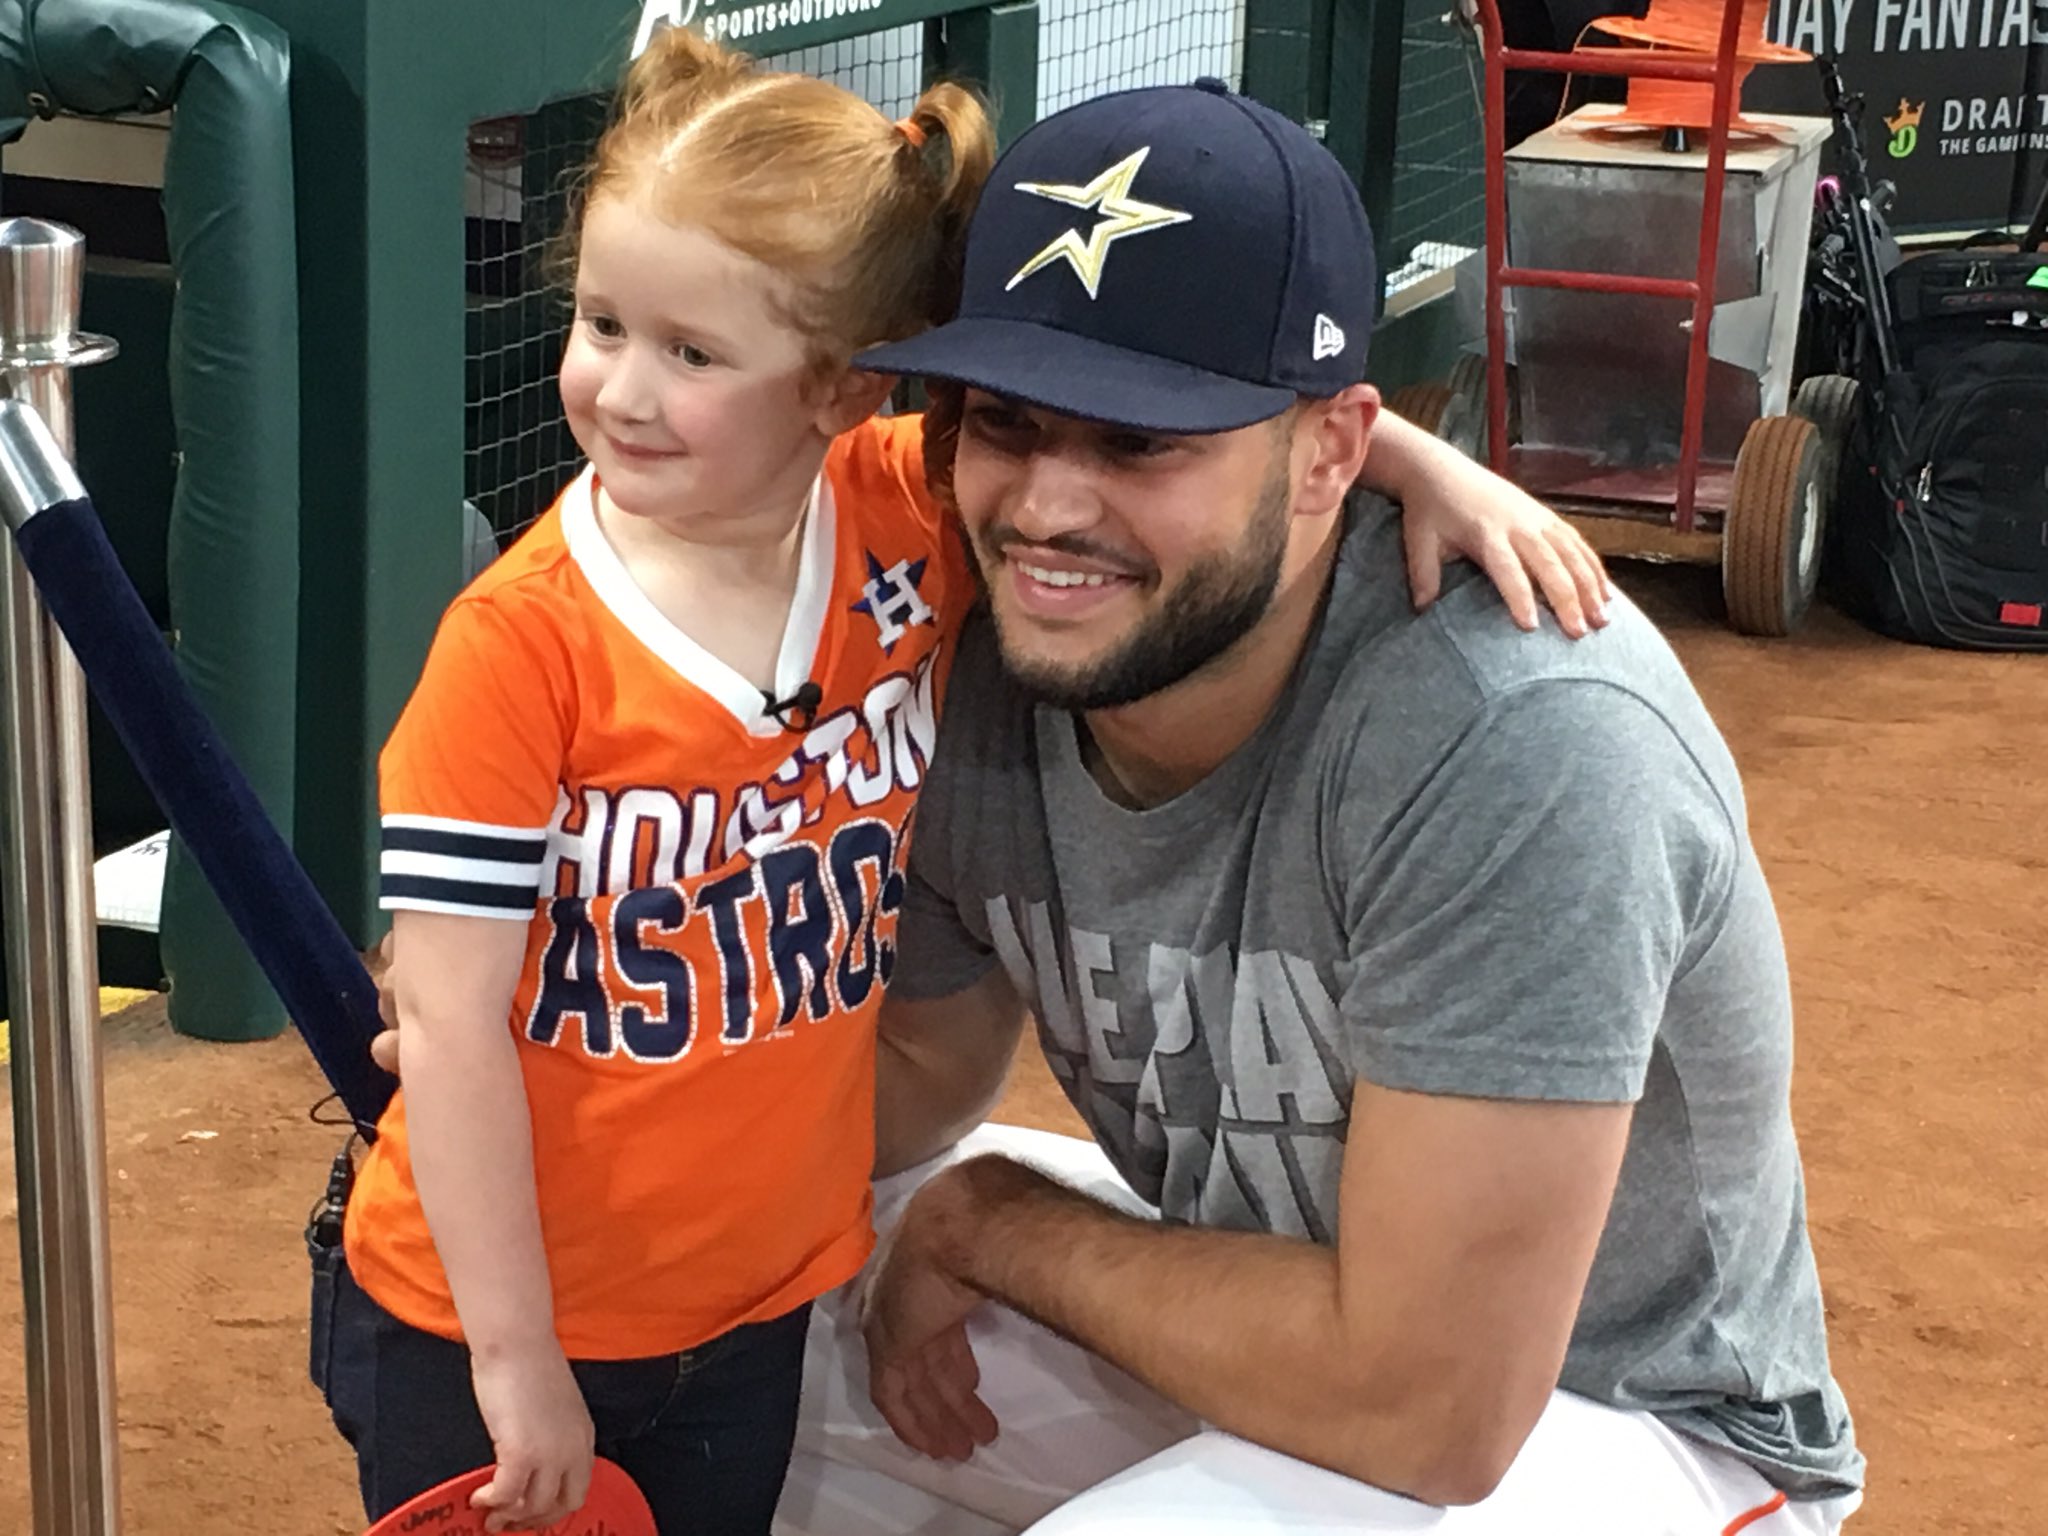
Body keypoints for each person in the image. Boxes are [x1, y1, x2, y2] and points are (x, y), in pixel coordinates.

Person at [332, 32, 1609, 1536]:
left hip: (753, 1307)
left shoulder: (894, 516)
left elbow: (1232, 427)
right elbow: (454, 1034)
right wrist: (514, 1349)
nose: (618, 388)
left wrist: (1411, 458)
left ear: (834, 390)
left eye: (691, 351)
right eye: (602, 323)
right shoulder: (528, 642)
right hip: (521, 1312)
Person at [769, 79, 1867, 1535]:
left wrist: (992, 1225)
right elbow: (924, 1068)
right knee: (741, 1353)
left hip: (1617, 1421)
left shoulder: (1517, 738)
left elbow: (1433, 1411)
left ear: (1333, 455)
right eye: (1007, 422)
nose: (1044, 505)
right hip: (1276, 1299)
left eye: (1142, 441)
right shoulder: (982, 647)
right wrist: (581, 1110)